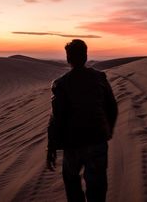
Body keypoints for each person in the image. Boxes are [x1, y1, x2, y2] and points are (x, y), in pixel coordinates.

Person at [46, 39, 118, 202]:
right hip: (98, 140)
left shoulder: (60, 84)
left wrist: (51, 147)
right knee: (97, 185)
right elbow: (112, 107)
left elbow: (56, 118)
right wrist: (108, 131)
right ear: (85, 56)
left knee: (71, 181)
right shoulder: (100, 78)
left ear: (68, 58)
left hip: (73, 144)